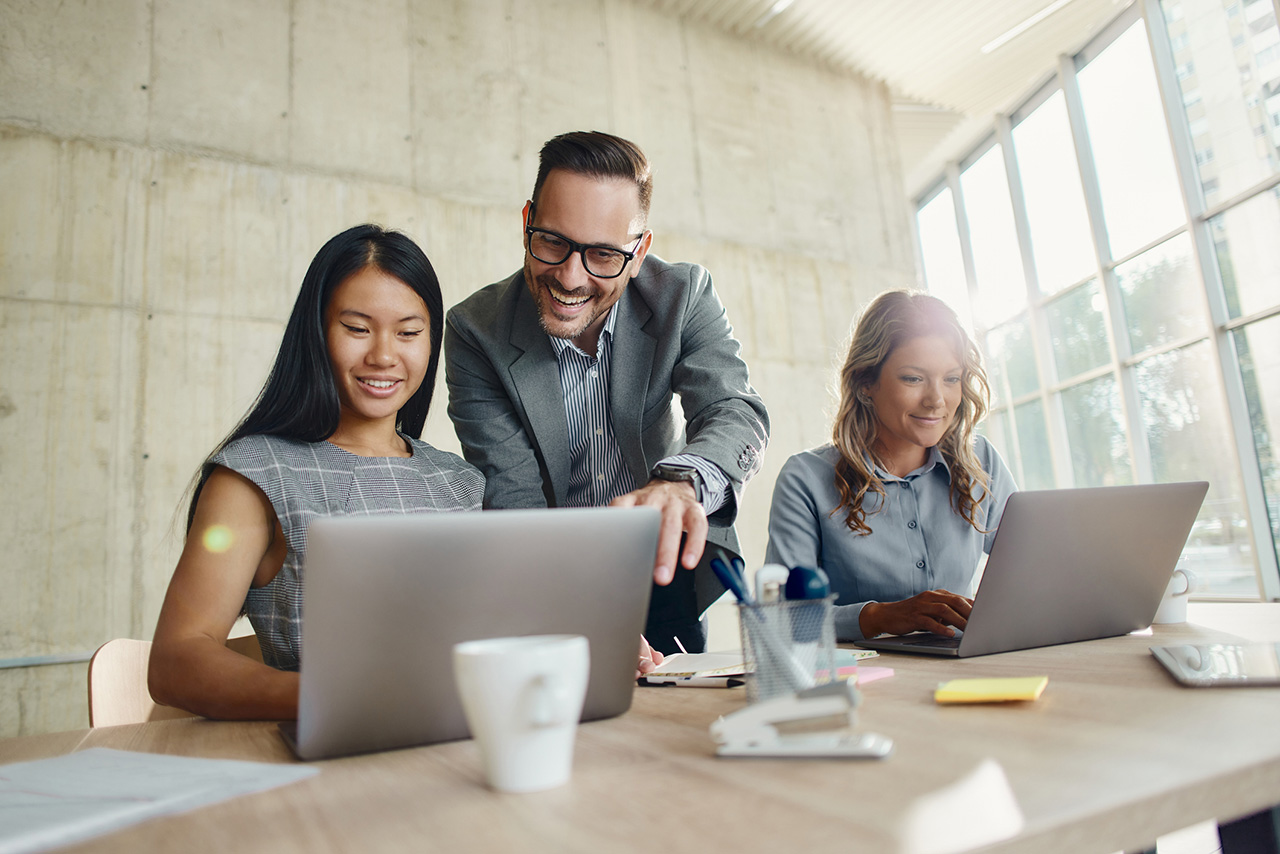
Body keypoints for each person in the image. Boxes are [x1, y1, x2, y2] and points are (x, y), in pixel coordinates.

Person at [444, 131, 769, 660]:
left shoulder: (684, 296)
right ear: (527, 221)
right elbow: (513, 499)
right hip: (549, 572)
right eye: (552, 241)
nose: (570, 278)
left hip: (667, 564)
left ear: (639, 252)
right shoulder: (475, 331)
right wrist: (582, 610)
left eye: (602, 255)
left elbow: (735, 410)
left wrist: (682, 485)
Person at [149, 224, 484, 719]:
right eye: (357, 328)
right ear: (316, 332)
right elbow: (176, 661)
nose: (384, 355)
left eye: (409, 332)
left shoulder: (459, 483)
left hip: (450, 743)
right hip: (319, 757)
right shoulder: (255, 476)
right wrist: (331, 700)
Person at [765, 290, 1016, 642]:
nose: (936, 400)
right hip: (863, 679)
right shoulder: (806, 479)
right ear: (866, 382)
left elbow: (1037, 570)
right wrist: (880, 616)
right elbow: (782, 619)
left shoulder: (981, 462)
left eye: (951, 379)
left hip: (966, 664)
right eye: (913, 378)